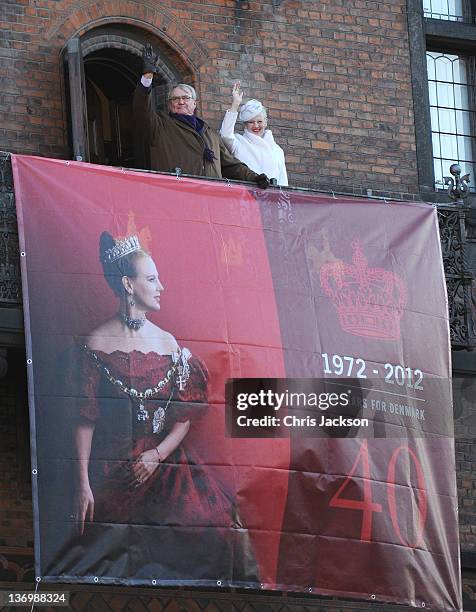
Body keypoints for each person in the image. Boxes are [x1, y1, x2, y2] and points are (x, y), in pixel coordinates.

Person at [71, 232, 258, 583]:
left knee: (221, 529)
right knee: (114, 547)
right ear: (128, 284)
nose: (161, 287)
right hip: (115, 467)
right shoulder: (94, 344)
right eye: (152, 279)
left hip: (166, 463)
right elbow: (85, 419)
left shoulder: (168, 344)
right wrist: (83, 482)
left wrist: (156, 455)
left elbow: (184, 415)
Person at [133, 45, 269, 188]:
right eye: (175, 99)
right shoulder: (160, 125)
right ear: (169, 104)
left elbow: (230, 165)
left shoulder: (209, 132)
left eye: (185, 98)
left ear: (194, 103)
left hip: (211, 198)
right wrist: (147, 77)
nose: (180, 102)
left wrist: (255, 178)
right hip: (176, 195)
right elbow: (141, 110)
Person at [219, 82, 288, 186]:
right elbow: (225, 134)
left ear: (265, 122)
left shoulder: (277, 150)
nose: (256, 125)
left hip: (271, 200)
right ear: (245, 125)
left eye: (259, 122)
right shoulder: (239, 143)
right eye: (251, 122)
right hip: (245, 198)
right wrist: (235, 104)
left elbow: (283, 182)